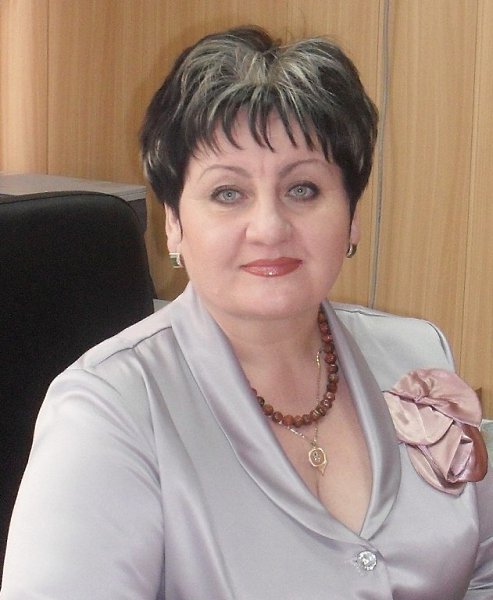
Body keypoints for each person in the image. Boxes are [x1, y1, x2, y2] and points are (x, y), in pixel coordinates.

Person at [2, 25, 492, 599]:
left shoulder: (418, 356)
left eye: (303, 189)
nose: (269, 228)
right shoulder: (107, 411)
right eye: (228, 193)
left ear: (351, 216)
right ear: (174, 224)